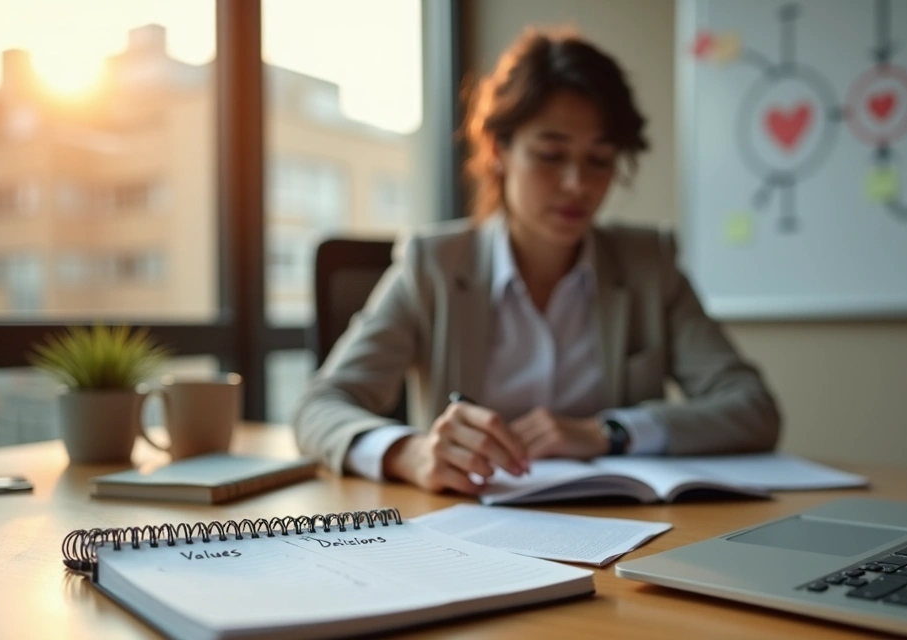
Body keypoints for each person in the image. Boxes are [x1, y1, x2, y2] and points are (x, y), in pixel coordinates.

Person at [294, 27, 781, 495]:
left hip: (621, 532)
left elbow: (753, 408)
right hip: (465, 530)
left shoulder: (648, 265)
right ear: (497, 149)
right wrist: (411, 453)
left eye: (600, 160)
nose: (577, 184)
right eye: (551, 154)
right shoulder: (435, 266)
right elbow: (320, 408)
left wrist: (608, 432)